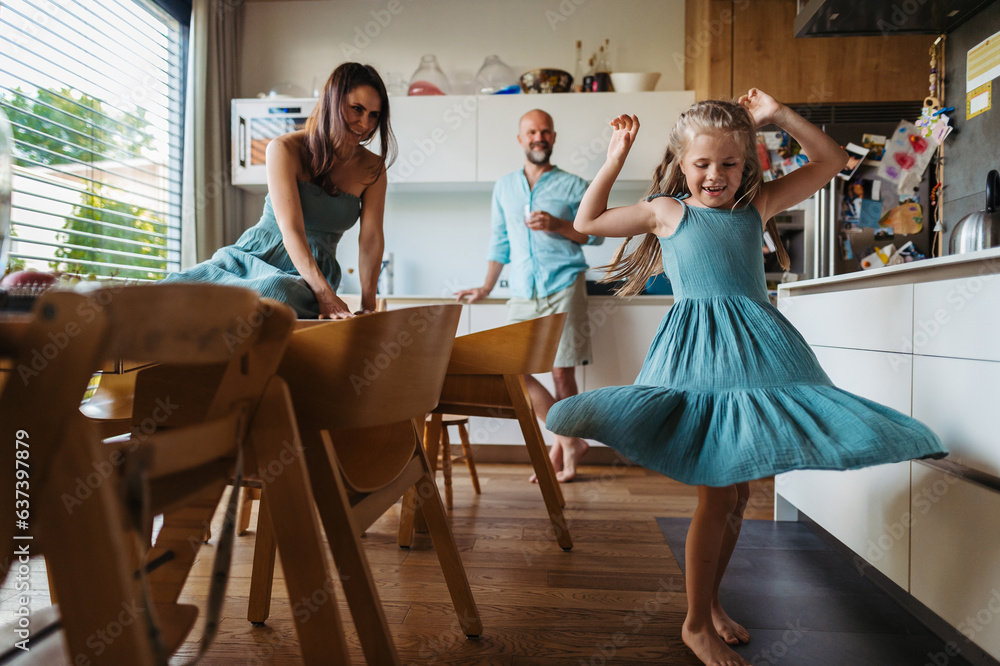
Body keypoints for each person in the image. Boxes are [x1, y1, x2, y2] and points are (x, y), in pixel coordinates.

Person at [545, 89, 946, 666]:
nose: (715, 175)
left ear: (748, 164)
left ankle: (708, 604)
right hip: (698, 359)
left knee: (737, 493)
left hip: (757, 354)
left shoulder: (752, 208)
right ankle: (693, 624)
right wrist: (615, 156)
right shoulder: (667, 211)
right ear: (682, 164)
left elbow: (832, 161)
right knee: (717, 493)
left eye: (729, 163)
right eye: (702, 164)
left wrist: (779, 115)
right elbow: (587, 222)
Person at [165, 62, 395, 319]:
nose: (365, 123)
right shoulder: (284, 149)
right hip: (253, 257)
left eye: (374, 115)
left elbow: (371, 240)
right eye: (357, 109)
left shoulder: (373, 169)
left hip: (310, 273)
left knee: (277, 293)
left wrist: (368, 305)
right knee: (172, 290)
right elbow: (292, 231)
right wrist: (326, 296)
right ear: (333, 102)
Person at [455, 109, 601, 483]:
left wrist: (558, 225)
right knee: (510, 370)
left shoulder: (573, 184)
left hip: (564, 286)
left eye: (546, 132)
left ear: (553, 138)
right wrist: (485, 287)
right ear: (520, 139)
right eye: (532, 132)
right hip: (522, 291)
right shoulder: (504, 187)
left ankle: (563, 453)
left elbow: (596, 234)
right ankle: (570, 440)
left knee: (561, 373)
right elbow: (500, 242)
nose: (539, 137)